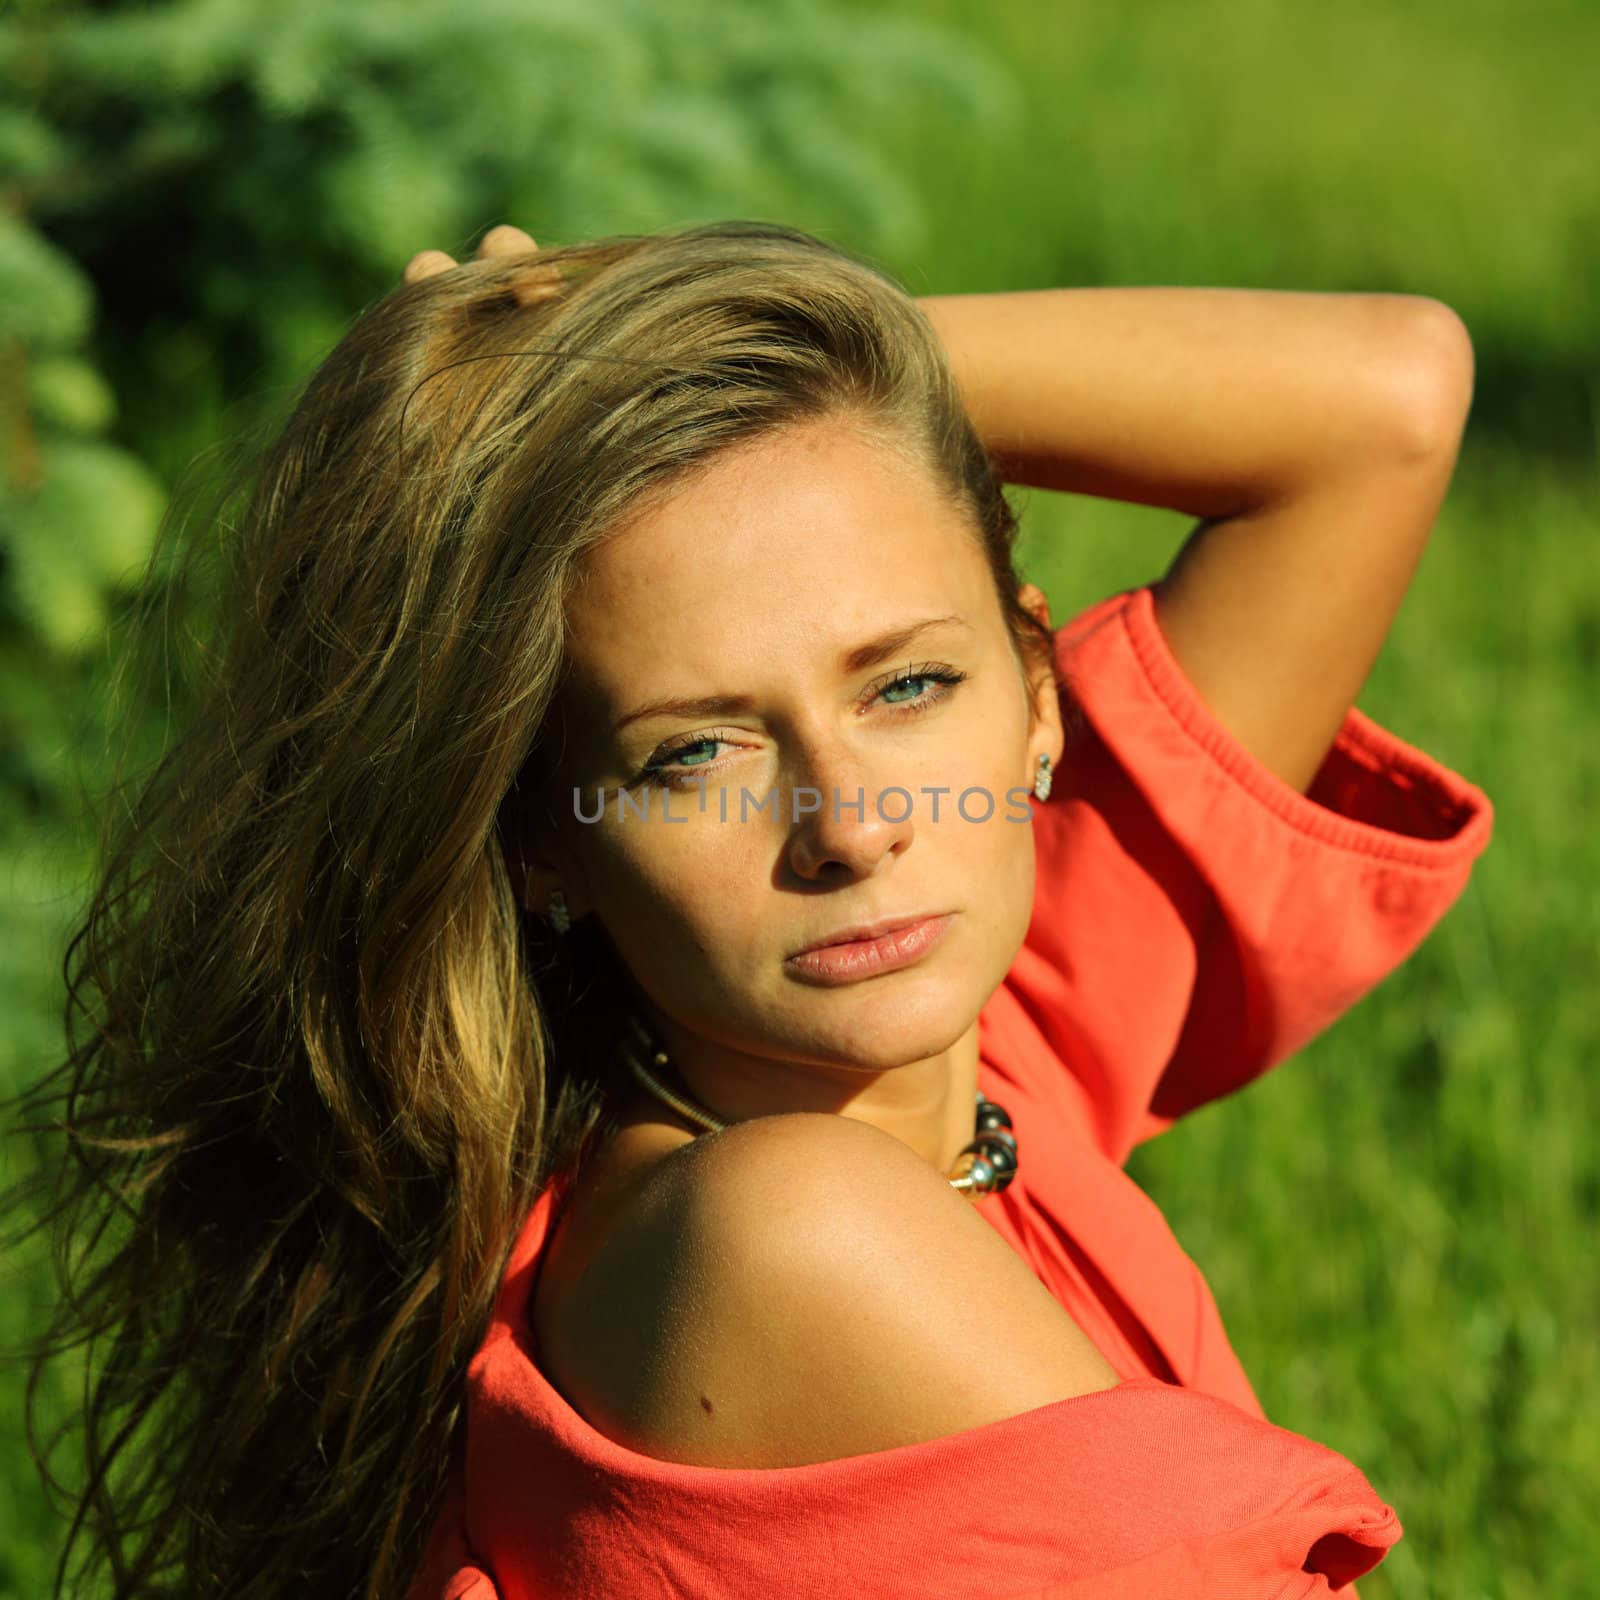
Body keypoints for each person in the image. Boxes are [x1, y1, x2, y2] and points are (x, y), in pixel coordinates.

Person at [12, 218, 1492, 1600]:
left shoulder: (983, 1055)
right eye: (696, 753)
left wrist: (662, 339)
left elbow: (1387, 401)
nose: (852, 826)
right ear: (546, 840)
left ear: (1037, 696)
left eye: (908, 685)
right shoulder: (783, 1229)